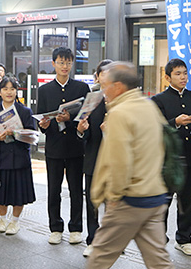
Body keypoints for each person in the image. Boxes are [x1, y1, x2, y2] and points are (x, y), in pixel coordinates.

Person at [87, 62, 174, 269]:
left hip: (129, 200)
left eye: (105, 85)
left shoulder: (120, 113)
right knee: (159, 261)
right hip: (155, 197)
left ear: (118, 86)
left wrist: (114, 197)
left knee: (99, 258)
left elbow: (120, 161)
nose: (103, 90)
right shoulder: (149, 106)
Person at [37, 47, 90, 245]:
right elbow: (41, 118)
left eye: (68, 62)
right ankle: (55, 227)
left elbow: (85, 117)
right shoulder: (44, 90)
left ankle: (75, 228)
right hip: (54, 148)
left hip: (76, 147)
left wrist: (70, 119)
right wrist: (43, 125)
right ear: (53, 64)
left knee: (76, 189)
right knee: (53, 190)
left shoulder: (81, 88)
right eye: (61, 62)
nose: (64, 66)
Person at [151, 58, 191, 256]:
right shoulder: (158, 100)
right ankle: (158, 240)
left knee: (187, 202)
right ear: (167, 77)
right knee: (163, 203)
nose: (183, 77)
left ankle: (184, 239)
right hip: (167, 160)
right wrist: (175, 122)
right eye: (178, 74)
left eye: (185, 73)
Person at [76, 59, 113, 257]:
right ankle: (92, 240)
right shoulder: (91, 100)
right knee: (92, 202)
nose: (106, 76)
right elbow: (84, 135)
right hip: (93, 159)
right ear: (97, 77)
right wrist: (82, 130)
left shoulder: (122, 101)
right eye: (102, 73)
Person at [0, 77, 36, 236]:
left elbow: (32, 136)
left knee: (19, 192)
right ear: (0, 91)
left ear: (16, 91)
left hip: (20, 157)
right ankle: (3, 219)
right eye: (5, 89)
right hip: (1, 157)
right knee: (1, 192)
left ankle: (15, 222)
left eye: (12, 89)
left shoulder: (25, 111)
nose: (9, 92)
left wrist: (16, 133)